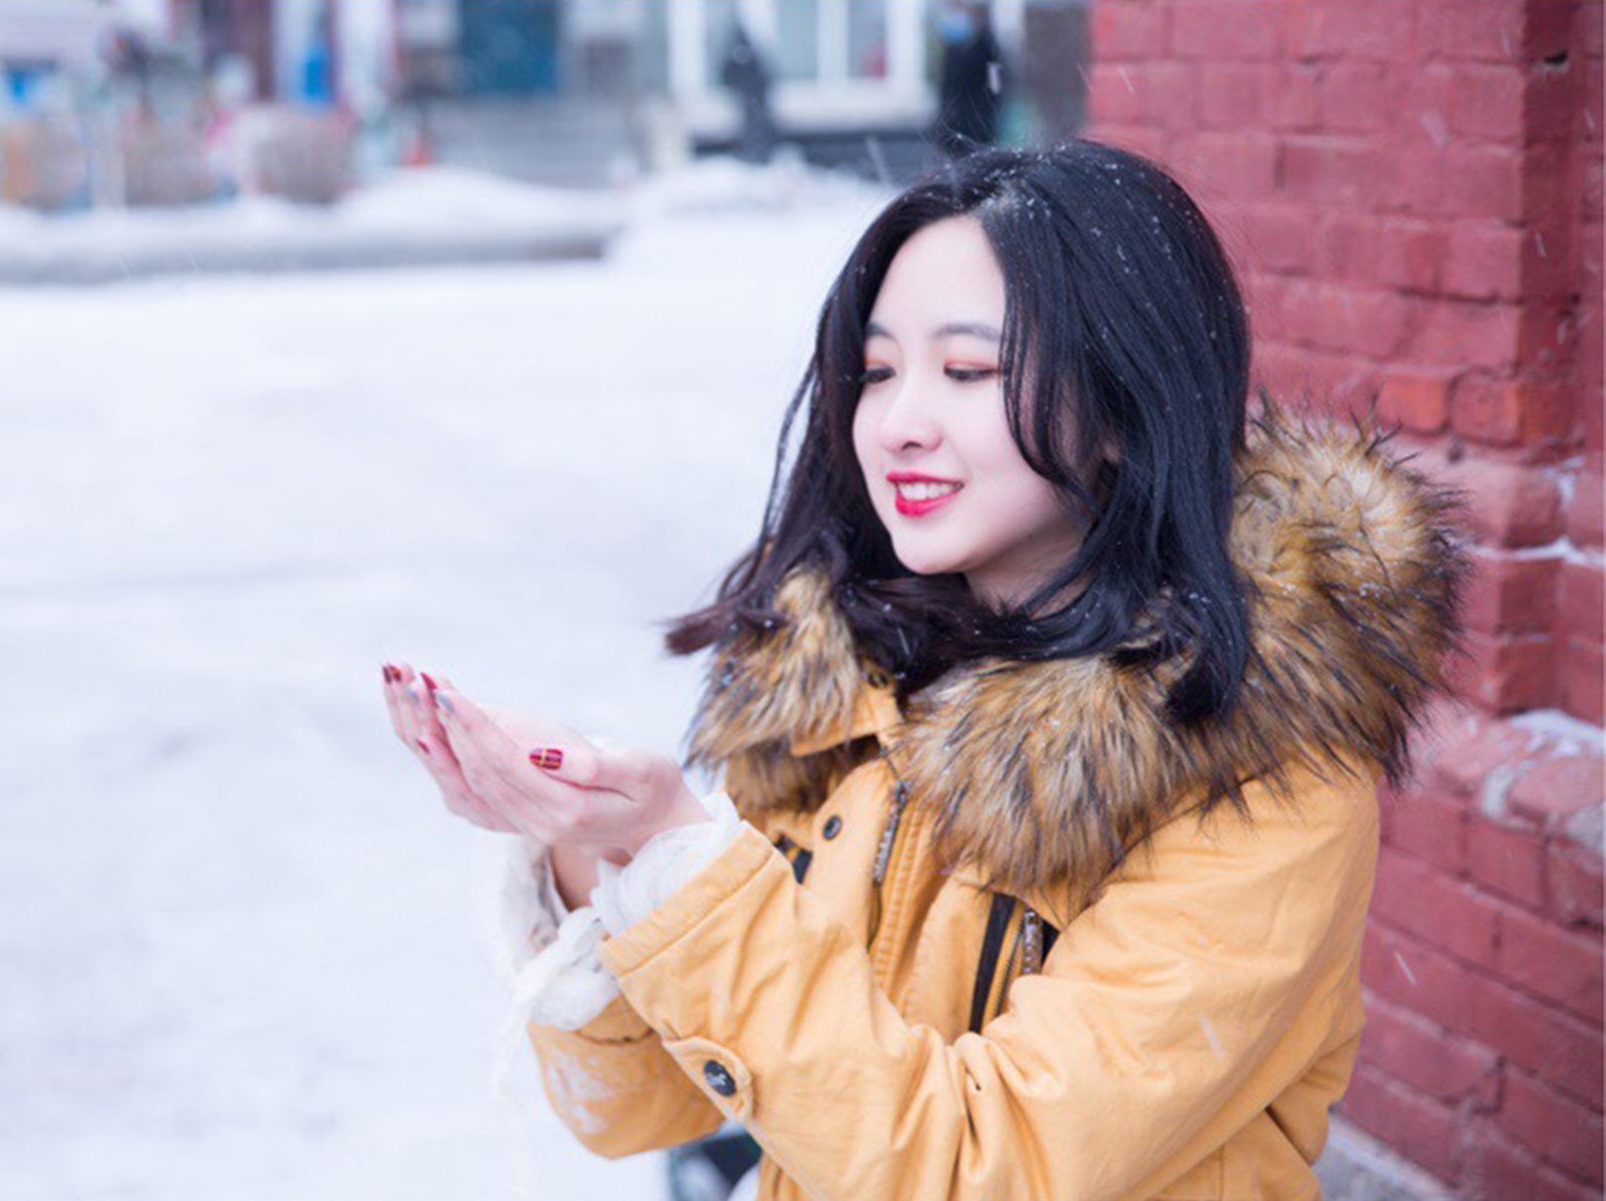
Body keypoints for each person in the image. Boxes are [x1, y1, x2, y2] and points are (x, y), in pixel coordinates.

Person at [378, 138, 1473, 1200]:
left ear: (1118, 404)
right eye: (875, 372)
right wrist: (606, 862)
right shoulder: (848, 690)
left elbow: (980, 1166)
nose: (896, 423)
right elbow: (643, 1111)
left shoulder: (1253, 760)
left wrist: (686, 872)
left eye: (963, 370)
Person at [933, 1, 1002, 155]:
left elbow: (996, 86)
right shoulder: (952, 48)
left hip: (978, 125)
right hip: (954, 124)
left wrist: (986, 113)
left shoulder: (988, 48)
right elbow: (947, 86)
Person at [720, 18, 779, 164]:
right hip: (746, 103)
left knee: (759, 130)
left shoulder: (752, 57)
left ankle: (760, 155)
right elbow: (726, 77)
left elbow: (765, 78)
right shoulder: (735, 57)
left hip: (757, 102)